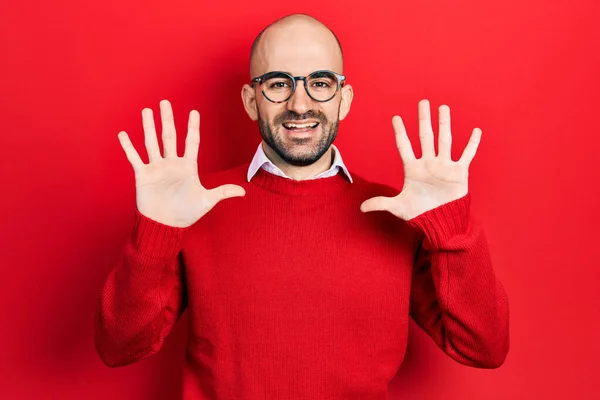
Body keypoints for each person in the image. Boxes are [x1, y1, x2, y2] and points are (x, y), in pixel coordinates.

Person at [94, 13, 510, 400]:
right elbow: (118, 347)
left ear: (344, 98)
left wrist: (451, 231)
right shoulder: (195, 205)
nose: (299, 104)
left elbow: (485, 348)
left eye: (321, 82)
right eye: (278, 83)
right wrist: (155, 234)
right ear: (251, 99)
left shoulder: (397, 213)